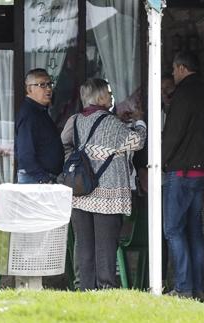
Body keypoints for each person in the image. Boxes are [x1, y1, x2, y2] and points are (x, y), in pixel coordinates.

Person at [61, 78, 146, 290]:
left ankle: (86, 288)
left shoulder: (76, 120)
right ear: (99, 97)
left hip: (81, 190)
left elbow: (64, 141)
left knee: (85, 245)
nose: (111, 96)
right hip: (107, 193)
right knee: (106, 245)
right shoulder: (110, 122)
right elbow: (137, 141)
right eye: (108, 93)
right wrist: (141, 123)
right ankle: (106, 287)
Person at [161, 51, 204, 299]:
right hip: (202, 171)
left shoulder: (184, 94)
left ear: (182, 68)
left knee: (173, 229)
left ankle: (183, 287)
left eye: (174, 70)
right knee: (194, 231)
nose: (173, 75)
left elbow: (173, 133)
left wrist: (160, 161)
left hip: (181, 171)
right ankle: (197, 288)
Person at [15, 68, 63, 184]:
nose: (48, 89)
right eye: (42, 85)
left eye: (49, 84)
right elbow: (25, 154)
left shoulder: (39, 111)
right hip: (35, 180)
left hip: (41, 178)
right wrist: (44, 179)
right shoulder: (29, 115)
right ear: (29, 89)